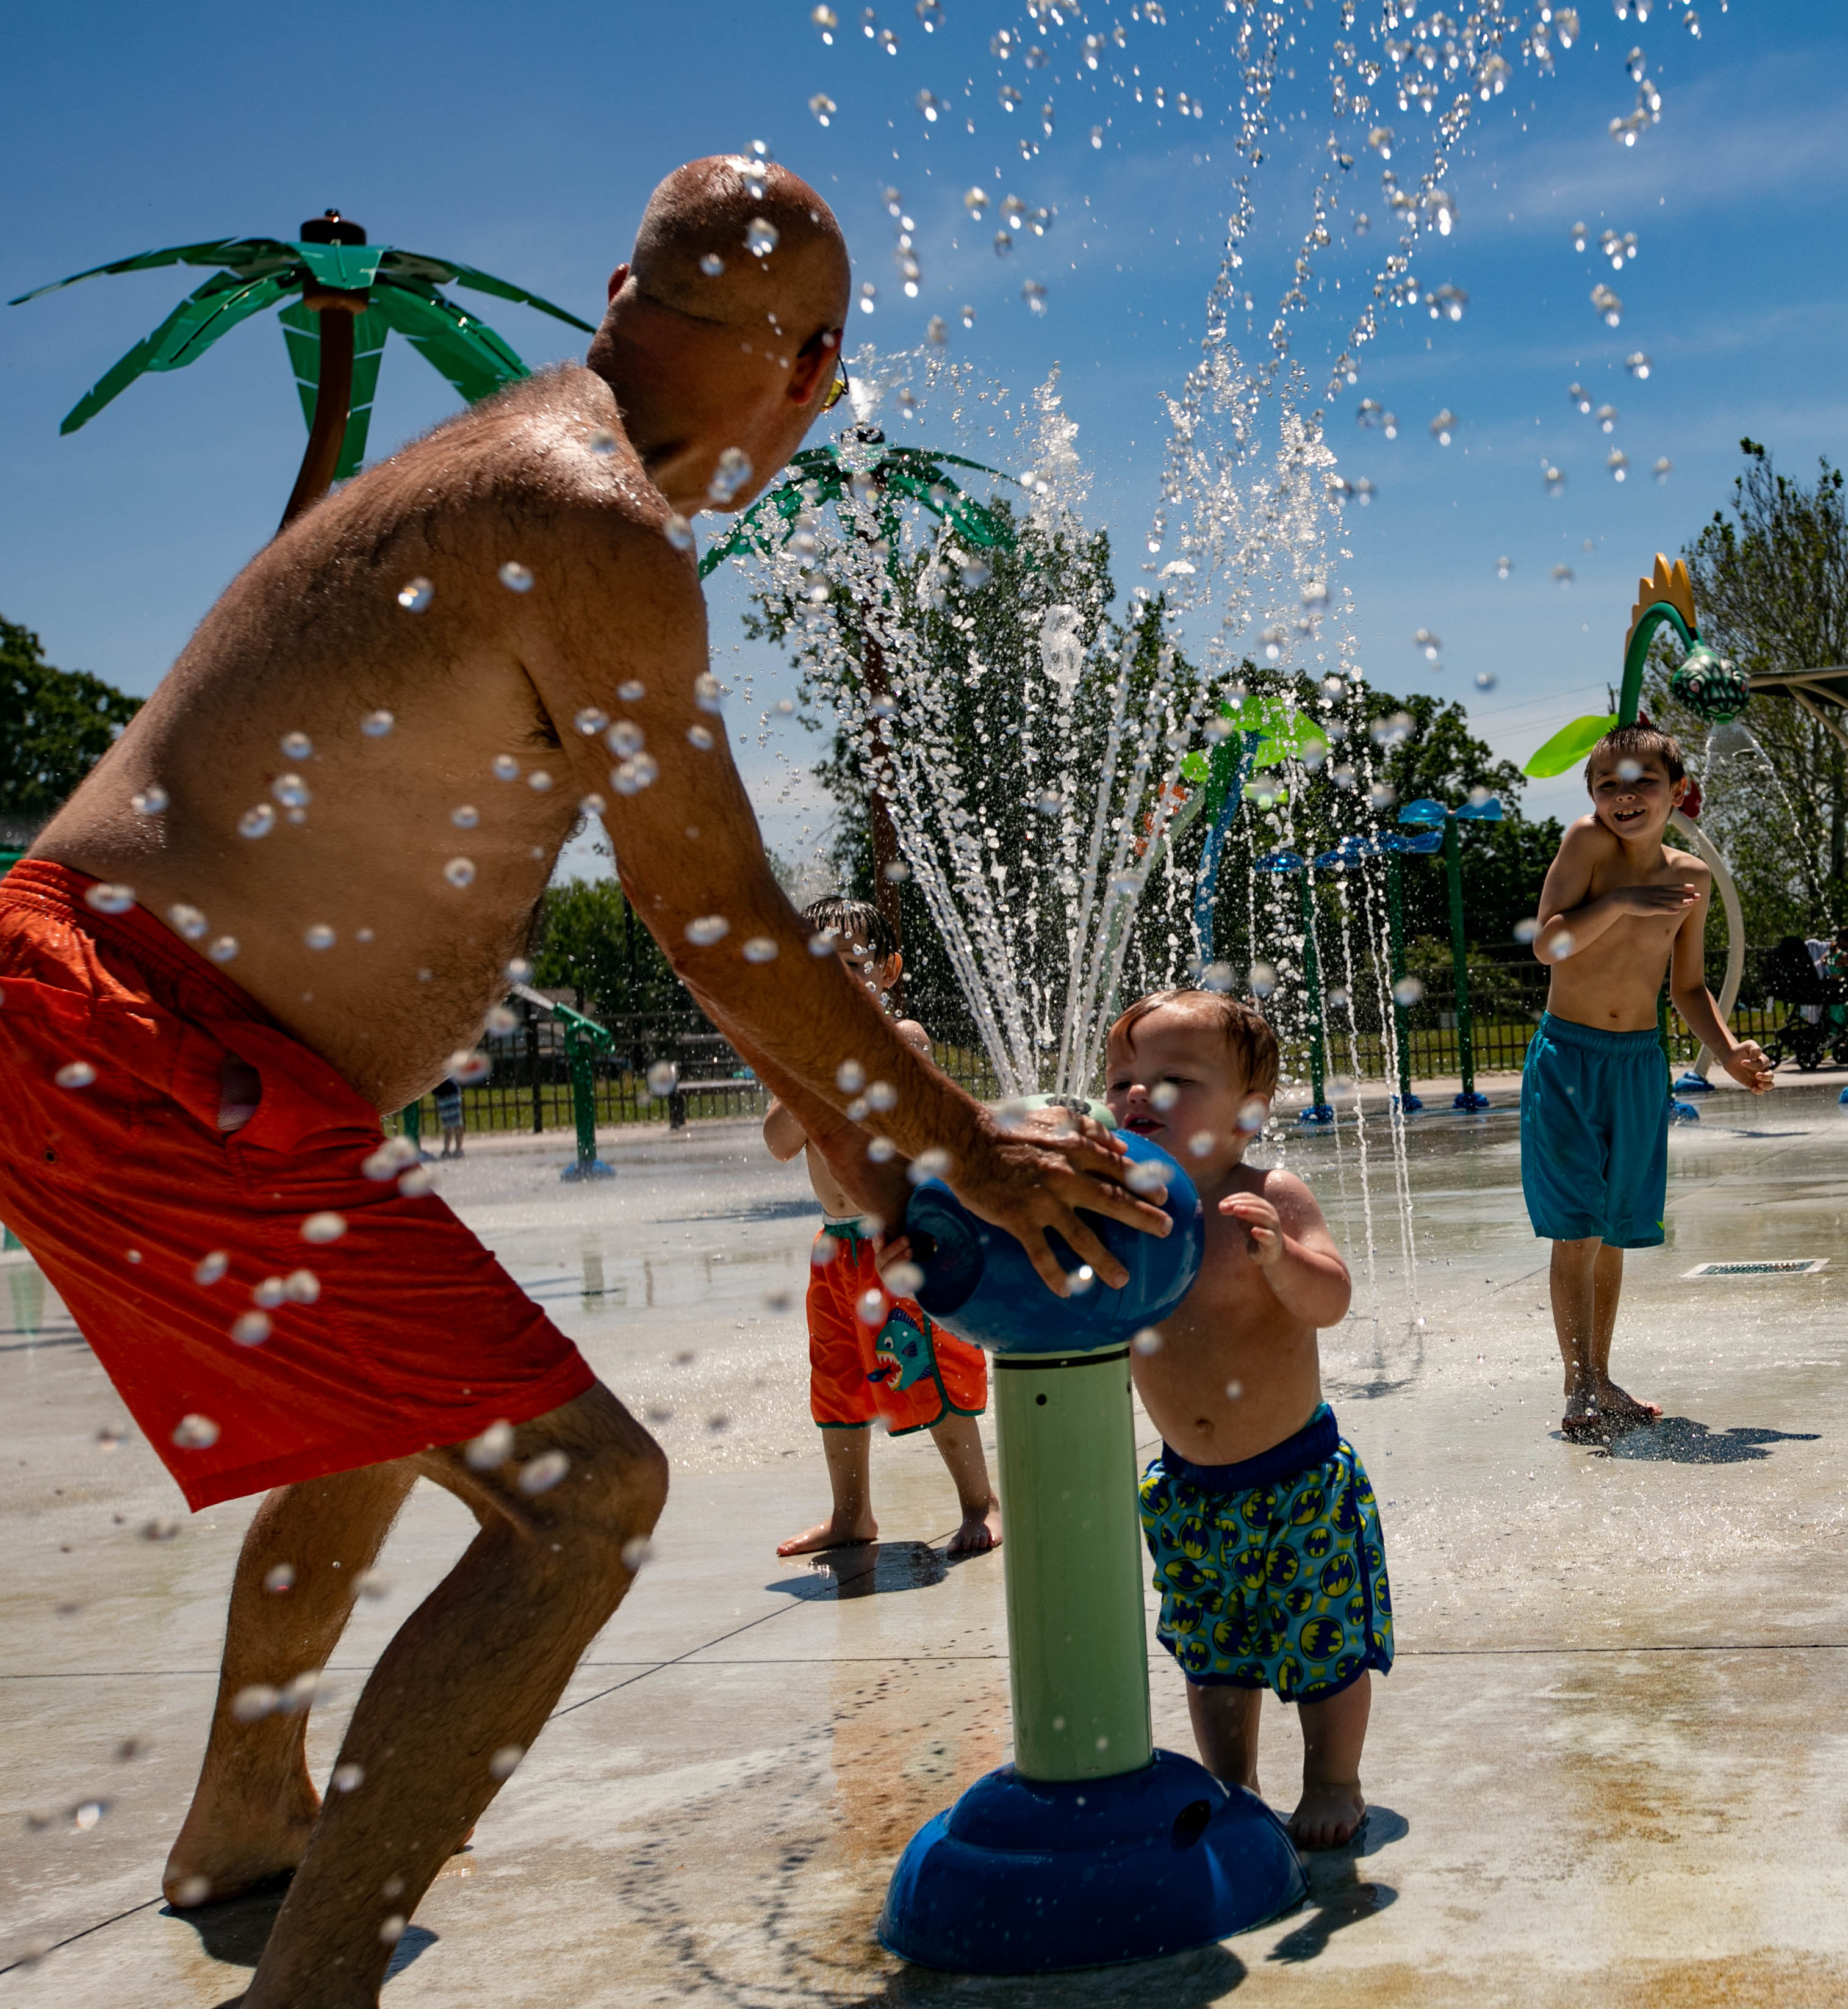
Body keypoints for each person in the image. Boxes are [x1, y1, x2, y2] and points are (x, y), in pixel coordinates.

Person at [0, 156, 1167, 2008]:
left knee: (388, 1412)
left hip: (113, 1012)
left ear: (624, 293)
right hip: (143, 1041)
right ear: (812, 371)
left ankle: (243, 1814)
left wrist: (889, 1181)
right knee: (586, 1500)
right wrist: (966, 1142)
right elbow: (721, 923)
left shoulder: (491, 472)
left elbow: (721, 942)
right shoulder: (593, 518)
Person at [1102, 988, 1389, 1852]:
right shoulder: (1117, 1212)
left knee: (1323, 1648)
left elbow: (1331, 1300)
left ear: (1247, 1117)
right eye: (1120, 1080)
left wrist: (1281, 1256)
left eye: (1172, 1080)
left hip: (1297, 1482)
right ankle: (1233, 1785)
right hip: (1188, 1491)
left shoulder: (1266, 1196)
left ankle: (1332, 1777)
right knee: (1213, 1655)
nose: (1135, 1095)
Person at [1526, 724, 1773, 1440]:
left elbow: (1687, 987)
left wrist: (1726, 1052)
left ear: (1677, 792)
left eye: (1641, 782)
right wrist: (1619, 903)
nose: (1623, 796)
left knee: (1609, 1232)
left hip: (1636, 1063)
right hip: (1568, 1058)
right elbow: (1547, 943)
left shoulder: (1690, 877)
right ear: (1590, 796)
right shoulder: (1586, 844)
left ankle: (1600, 1377)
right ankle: (1577, 1385)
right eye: (1606, 784)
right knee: (1577, 1225)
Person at [763, 895, 1000, 1559]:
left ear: (888, 970)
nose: (834, 981)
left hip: (895, 1243)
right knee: (836, 1381)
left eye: (850, 964)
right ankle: (851, 1515)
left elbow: (894, 1112)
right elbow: (780, 1142)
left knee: (928, 1370)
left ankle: (980, 1502)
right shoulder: (799, 1056)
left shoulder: (904, 1038)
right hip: (833, 1248)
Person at [433, 1077, 465, 1160]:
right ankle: (447, 1150)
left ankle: (458, 1150)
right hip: (441, 1093)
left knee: (456, 1123)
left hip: (450, 1091)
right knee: (447, 1125)